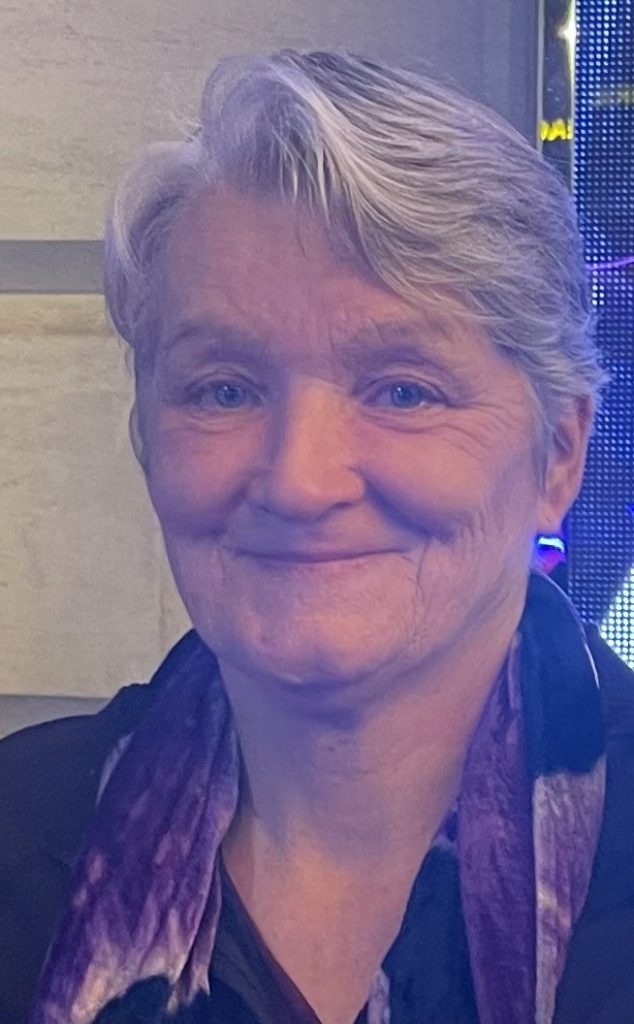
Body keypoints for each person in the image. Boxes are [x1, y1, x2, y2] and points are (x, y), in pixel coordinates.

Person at [1, 50, 633, 1024]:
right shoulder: (16, 831)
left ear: (558, 455)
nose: (299, 481)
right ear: (146, 438)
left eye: (403, 390)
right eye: (223, 389)